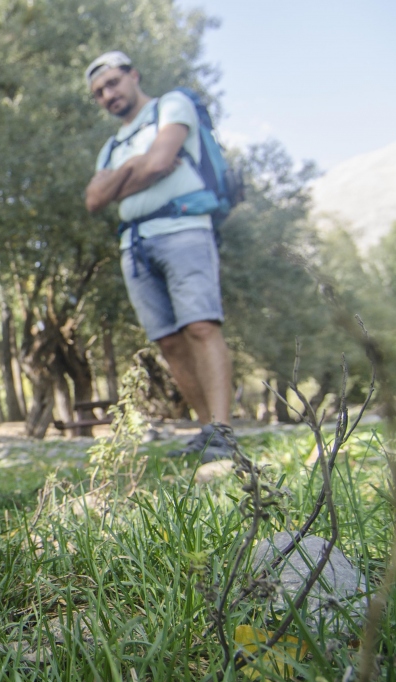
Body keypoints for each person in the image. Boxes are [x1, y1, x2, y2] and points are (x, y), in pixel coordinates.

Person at [83, 51, 232, 461]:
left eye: (113, 83)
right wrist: (135, 164)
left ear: (132, 75)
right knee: (168, 341)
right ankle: (207, 431)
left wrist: (120, 179)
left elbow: (162, 159)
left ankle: (224, 432)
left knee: (201, 325)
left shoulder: (171, 105)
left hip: (183, 229)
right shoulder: (111, 146)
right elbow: (94, 199)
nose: (108, 94)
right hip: (134, 244)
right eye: (98, 93)